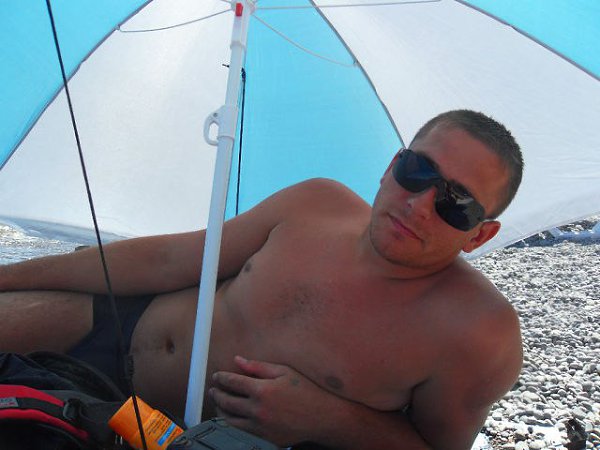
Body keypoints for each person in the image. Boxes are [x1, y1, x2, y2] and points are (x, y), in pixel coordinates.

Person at [0, 110, 524, 450]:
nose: (420, 204)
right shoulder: (316, 202)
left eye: (457, 203)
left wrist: (331, 418)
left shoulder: (479, 332)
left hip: (176, 438)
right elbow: (168, 260)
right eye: (418, 172)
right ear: (392, 165)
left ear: (480, 235)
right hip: (114, 326)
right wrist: (10, 276)